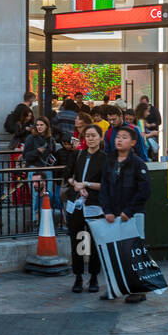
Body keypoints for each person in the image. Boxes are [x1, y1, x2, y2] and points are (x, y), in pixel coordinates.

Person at [97, 126, 152, 303]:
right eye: (117, 137)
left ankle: (139, 289)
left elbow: (144, 191)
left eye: (124, 137)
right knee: (114, 253)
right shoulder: (109, 162)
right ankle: (115, 287)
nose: (119, 140)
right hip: (112, 215)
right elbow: (104, 188)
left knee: (134, 252)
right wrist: (107, 211)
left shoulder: (138, 164)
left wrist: (128, 211)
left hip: (133, 215)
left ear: (133, 142)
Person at [65, 123, 104, 293]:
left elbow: (107, 184)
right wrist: (77, 186)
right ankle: (78, 276)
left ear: (100, 138)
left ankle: (94, 276)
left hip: (95, 204)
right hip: (76, 205)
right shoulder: (78, 155)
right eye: (87, 135)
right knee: (78, 240)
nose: (90, 138)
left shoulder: (105, 158)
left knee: (95, 242)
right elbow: (68, 176)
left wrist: (87, 185)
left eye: (94, 135)